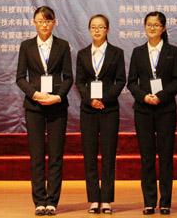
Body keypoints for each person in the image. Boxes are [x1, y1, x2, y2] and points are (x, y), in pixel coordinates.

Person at [16, 6, 73, 216]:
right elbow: (20, 77)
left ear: (54, 22)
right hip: (34, 106)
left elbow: (68, 77)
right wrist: (35, 94)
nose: (44, 25)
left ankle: (52, 202)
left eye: (48, 21)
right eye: (40, 21)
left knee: (56, 155)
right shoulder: (27, 46)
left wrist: (58, 96)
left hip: (57, 105)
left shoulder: (63, 45)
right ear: (34, 23)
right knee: (37, 154)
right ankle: (39, 201)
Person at [127, 11, 177, 215]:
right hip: (143, 110)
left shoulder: (172, 51)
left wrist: (160, 96)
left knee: (166, 156)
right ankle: (149, 201)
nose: (152, 28)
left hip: (165, 109)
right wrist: (144, 97)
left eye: (156, 25)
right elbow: (131, 82)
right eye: (149, 24)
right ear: (144, 27)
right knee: (147, 156)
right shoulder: (138, 52)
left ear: (163, 28)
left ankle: (165, 202)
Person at [75, 14, 126, 214]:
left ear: (107, 30)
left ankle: (106, 199)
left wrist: (104, 99)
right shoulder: (82, 54)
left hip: (109, 109)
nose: (97, 30)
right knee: (89, 155)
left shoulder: (116, 53)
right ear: (89, 30)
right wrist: (90, 100)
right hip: (88, 110)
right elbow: (80, 82)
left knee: (108, 154)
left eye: (101, 27)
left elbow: (120, 80)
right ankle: (93, 199)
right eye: (93, 27)